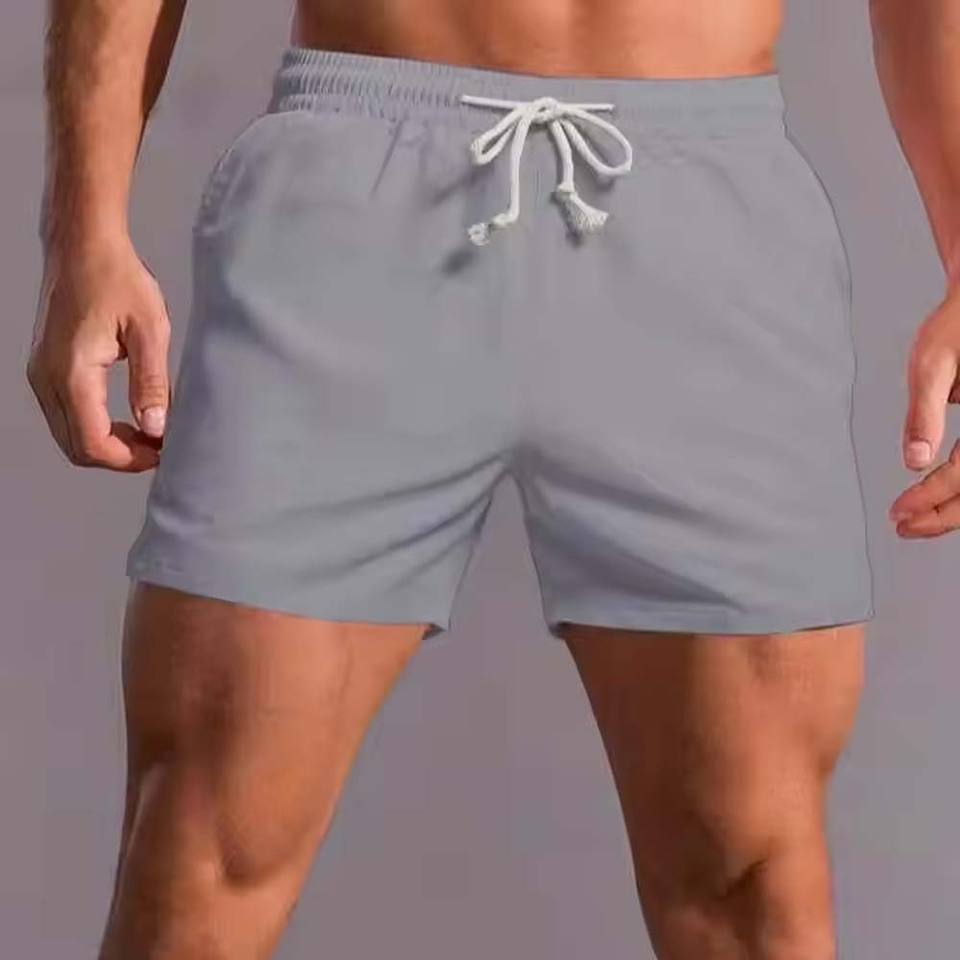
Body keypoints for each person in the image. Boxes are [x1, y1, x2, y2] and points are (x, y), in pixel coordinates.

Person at [24, 1, 960, 957]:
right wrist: (81, 229)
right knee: (199, 862)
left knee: (750, 884)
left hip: (711, 223)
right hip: (355, 200)